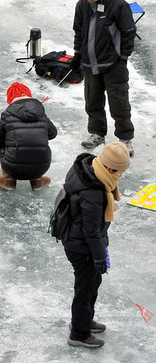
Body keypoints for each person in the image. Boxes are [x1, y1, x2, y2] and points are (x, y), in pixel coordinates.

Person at [60, 141, 131, 349]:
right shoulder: (93, 192)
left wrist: (100, 252)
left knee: (93, 282)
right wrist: (100, 257)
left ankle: (84, 320)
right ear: (108, 167)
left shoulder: (90, 170)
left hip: (81, 240)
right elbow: (90, 231)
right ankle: (79, 333)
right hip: (80, 246)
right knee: (86, 287)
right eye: (119, 171)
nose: (120, 175)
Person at [71, 0, 136, 156]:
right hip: (89, 64)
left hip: (113, 64)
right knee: (92, 100)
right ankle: (97, 132)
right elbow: (78, 31)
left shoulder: (117, 4)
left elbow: (129, 33)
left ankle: (125, 138)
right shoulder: (82, 5)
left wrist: (122, 57)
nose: (89, 0)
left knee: (119, 103)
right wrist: (77, 54)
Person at [0, 81, 58, 191]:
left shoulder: (6, 117)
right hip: (41, 167)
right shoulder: (42, 115)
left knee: (2, 142)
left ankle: (9, 181)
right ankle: (37, 181)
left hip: (13, 168)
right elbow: (53, 134)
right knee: (37, 141)